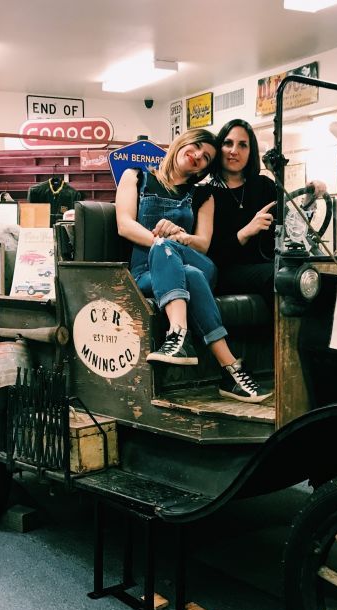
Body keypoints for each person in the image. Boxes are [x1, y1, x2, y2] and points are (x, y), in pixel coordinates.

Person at [115, 128, 271, 404]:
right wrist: (160, 240)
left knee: (176, 255)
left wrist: (178, 236)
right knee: (185, 271)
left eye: (207, 157)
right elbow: (124, 226)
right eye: (197, 146)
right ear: (182, 141)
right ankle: (231, 369)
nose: (198, 155)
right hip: (146, 273)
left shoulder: (203, 195)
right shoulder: (136, 177)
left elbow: (203, 244)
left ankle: (177, 337)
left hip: (195, 259)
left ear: (205, 169)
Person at [207, 119, 278, 302]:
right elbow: (210, 254)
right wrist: (245, 232)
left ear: (250, 151)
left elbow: (290, 219)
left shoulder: (264, 186)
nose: (234, 151)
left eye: (242, 145)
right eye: (228, 143)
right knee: (278, 276)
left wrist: (310, 199)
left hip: (267, 264)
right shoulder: (206, 194)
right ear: (218, 147)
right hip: (226, 271)